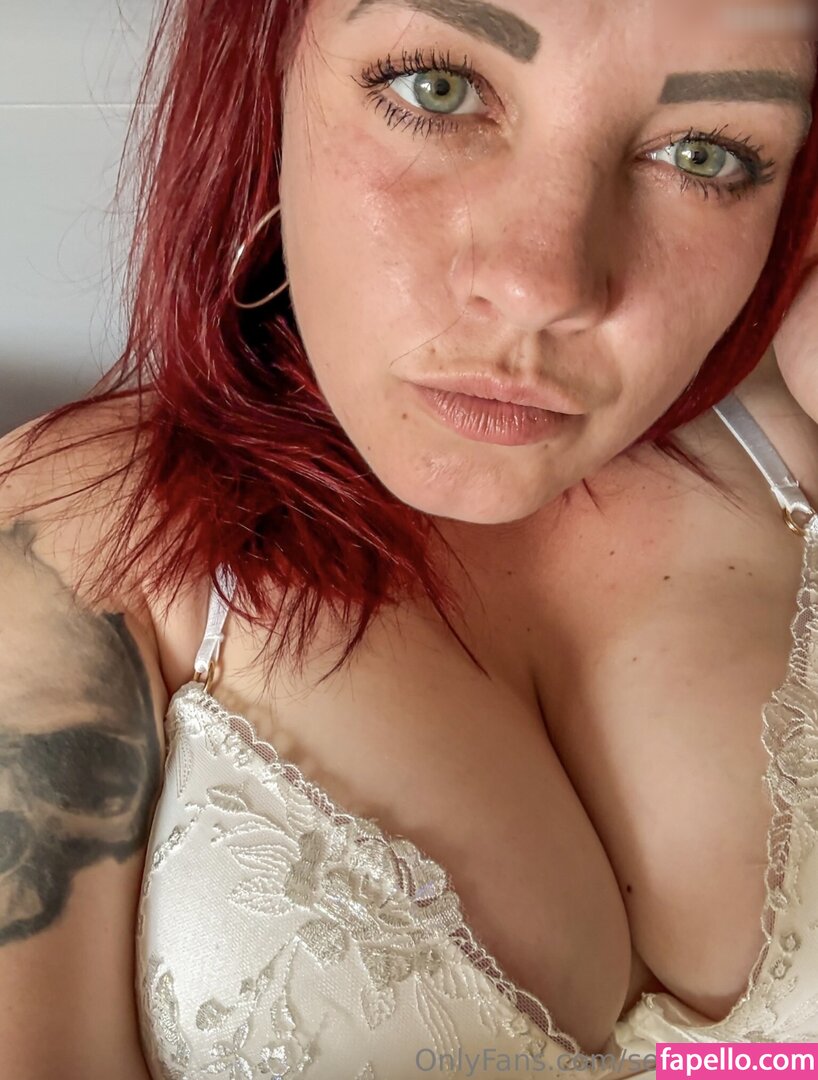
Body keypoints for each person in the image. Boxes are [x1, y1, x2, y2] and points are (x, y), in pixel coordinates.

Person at [0, 1, 817, 1077]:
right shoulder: (72, 542)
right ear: (266, 69)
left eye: (704, 153)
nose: (542, 286)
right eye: (437, 90)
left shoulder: (795, 439)